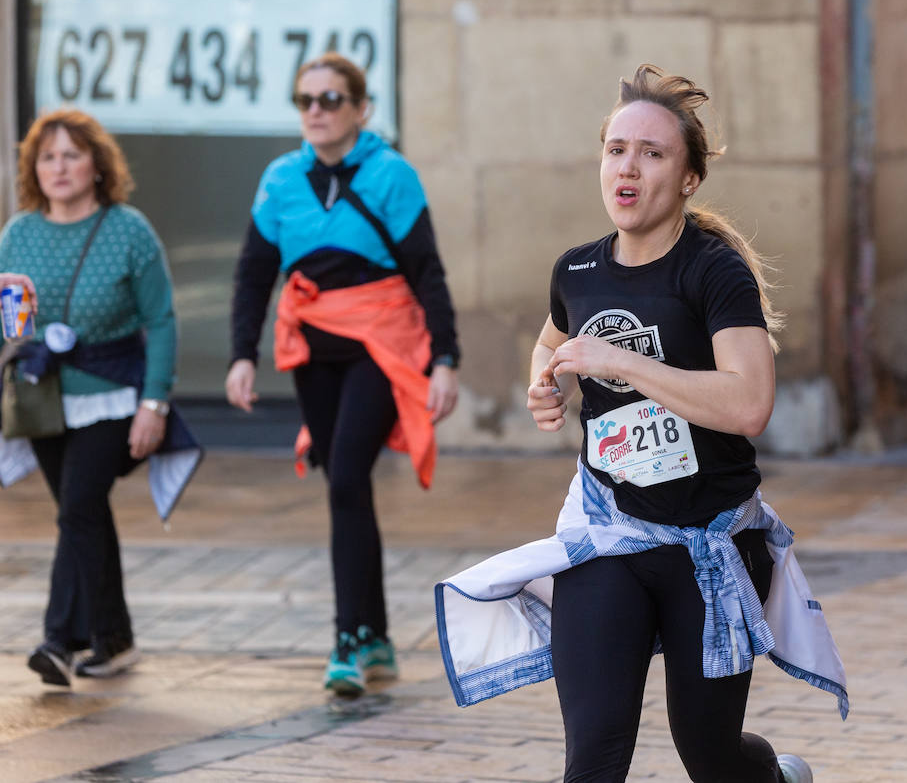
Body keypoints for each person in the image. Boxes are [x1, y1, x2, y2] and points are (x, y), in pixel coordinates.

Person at [432, 65, 845, 783]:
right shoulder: (579, 270)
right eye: (617, 148)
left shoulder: (714, 274)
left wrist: (624, 363)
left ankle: (777, 778)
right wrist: (543, 384)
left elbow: (749, 404)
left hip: (710, 545)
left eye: (652, 153)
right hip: (608, 533)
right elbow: (553, 340)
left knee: (711, 756)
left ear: (687, 179)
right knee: (592, 756)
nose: (628, 165)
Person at [226, 53, 460, 697]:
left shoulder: (392, 174)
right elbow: (252, 273)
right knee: (345, 486)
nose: (316, 112)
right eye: (305, 100)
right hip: (314, 349)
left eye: (330, 100)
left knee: (349, 475)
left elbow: (426, 271)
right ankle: (377, 633)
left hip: (382, 345)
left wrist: (445, 359)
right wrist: (241, 354)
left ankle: (347, 640)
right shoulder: (279, 179)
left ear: (361, 109)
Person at [0, 109, 186, 685]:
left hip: (115, 395)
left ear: (97, 165)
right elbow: (9, 321)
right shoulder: (19, 233)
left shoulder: (129, 230)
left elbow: (162, 319)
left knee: (79, 506)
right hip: (44, 396)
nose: (59, 167)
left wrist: (154, 403)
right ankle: (115, 636)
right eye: (47, 157)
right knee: (83, 515)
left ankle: (59, 640)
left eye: (72, 155)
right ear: (34, 168)